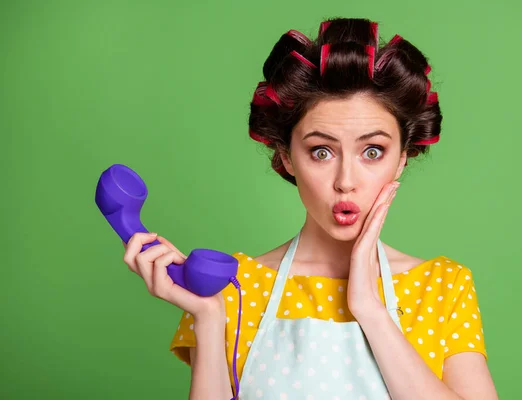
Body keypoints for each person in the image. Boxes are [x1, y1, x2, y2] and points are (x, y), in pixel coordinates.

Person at [123, 17, 499, 400]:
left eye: (373, 151)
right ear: (286, 157)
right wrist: (206, 319)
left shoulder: (442, 287)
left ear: (402, 158)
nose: (345, 180)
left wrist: (369, 308)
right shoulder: (232, 290)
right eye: (321, 151)